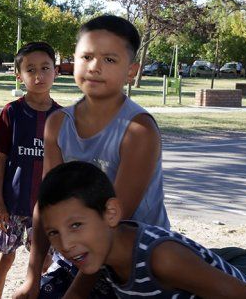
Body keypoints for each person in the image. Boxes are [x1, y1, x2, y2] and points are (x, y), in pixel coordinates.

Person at [15, 15, 169, 299]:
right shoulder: (58, 124)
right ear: (73, 60)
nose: (95, 67)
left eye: (110, 60)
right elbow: (47, 203)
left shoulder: (138, 130)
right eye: (87, 56)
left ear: (131, 70)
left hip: (136, 262)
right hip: (79, 255)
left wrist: (75, 294)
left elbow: (114, 222)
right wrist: (32, 278)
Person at [37, 161, 246, 298]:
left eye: (76, 225)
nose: (66, 245)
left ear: (111, 214)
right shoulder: (97, 250)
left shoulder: (161, 257)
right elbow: (76, 295)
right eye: (53, 233)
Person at [0, 42, 62, 299]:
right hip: (14, 207)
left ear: (56, 71)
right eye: (30, 70)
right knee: (3, 259)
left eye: (45, 68)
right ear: (19, 75)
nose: (39, 76)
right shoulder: (12, 112)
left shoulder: (63, 117)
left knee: (43, 264)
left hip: (47, 210)